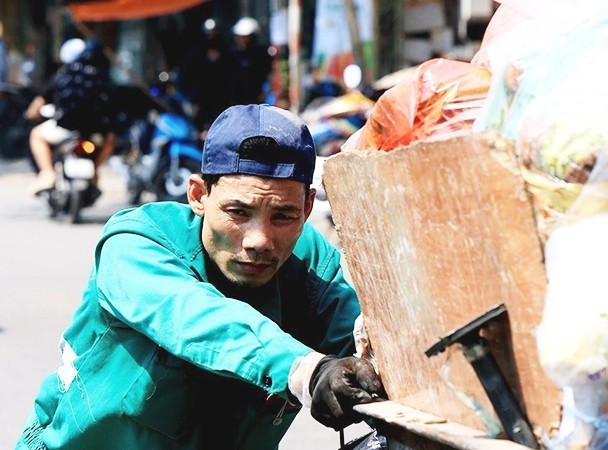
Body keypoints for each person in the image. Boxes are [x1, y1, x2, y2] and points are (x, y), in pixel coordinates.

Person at [17, 104, 384, 449]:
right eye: (238, 212)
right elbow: (189, 314)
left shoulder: (312, 269)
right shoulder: (137, 241)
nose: (259, 240)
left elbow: (371, 347)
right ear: (198, 195)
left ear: (307, 208)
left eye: (283, 216)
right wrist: (305, 369)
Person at [28, 38, 116, 195]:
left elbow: (38, 103)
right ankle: (95, 171)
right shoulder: (104, 78)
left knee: (36, 135)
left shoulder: (63, 76)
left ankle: (48, 173)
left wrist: (31, 115)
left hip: (65, 129)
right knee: (110, 140)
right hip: (95, 134)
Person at [178, 19, 236, 133]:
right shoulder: (194, 56)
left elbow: (236, 80)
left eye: (214, 34)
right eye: (209, 34)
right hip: (201, 106)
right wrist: (192, 100)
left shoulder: (229, 55)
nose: (211, 37)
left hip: (224, 104)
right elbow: (184, 80)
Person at [231, 17, 271, 105]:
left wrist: (265, 92)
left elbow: (268, 75)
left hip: (257, 100)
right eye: (241, 37)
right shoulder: (232, 55)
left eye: (246, 37)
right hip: (236, 101)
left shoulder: (261, 54)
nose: (243, 40)